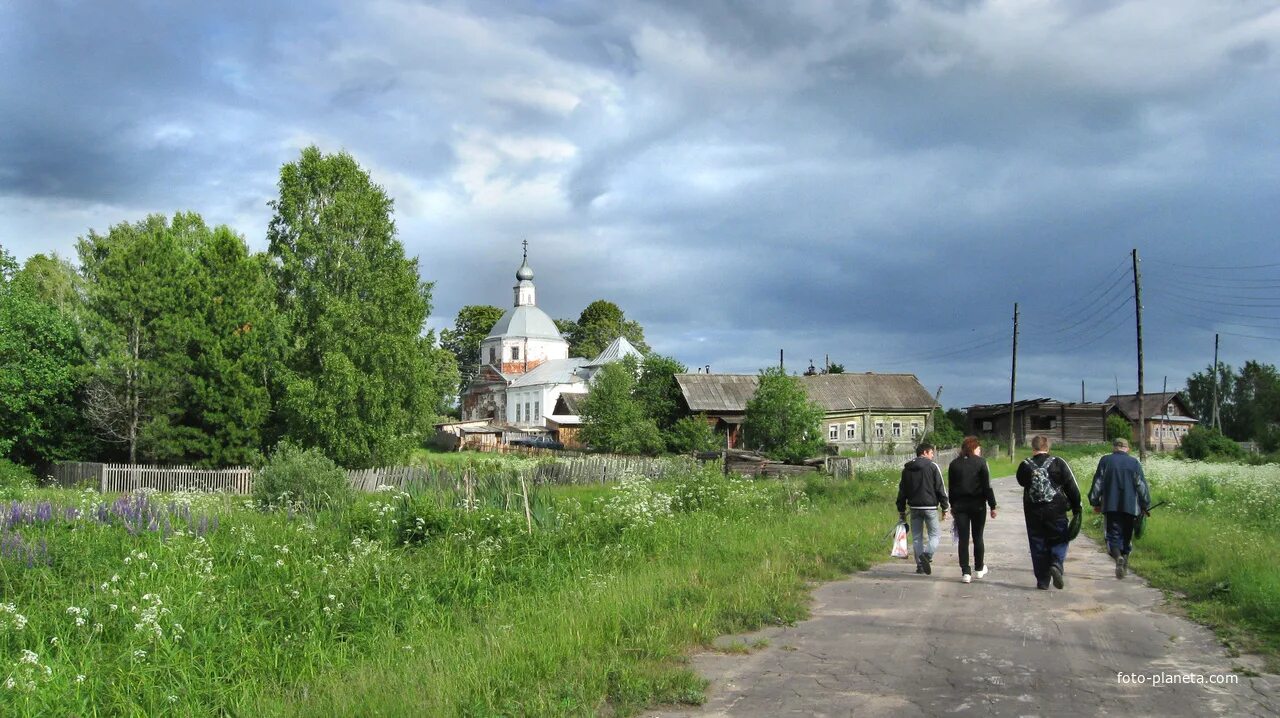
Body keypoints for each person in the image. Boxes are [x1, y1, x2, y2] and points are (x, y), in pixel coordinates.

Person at [1016, 435, 1082, 590]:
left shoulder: (1024, 465)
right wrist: (1076, 506)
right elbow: (1072, 486)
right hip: (1056, 509)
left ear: (1033, 448)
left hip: (1033, 511)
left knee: (1037, 543)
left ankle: (1042, 581)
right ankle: (1056, 563)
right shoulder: (1058, 462)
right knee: (1060, 538)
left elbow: (1021, 481)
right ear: (1048, 447)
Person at [1088, 437, 1151, 579]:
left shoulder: (1105, 461)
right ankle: (1125, 559)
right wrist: (1145, 504)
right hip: (1130, 507)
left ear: (1114, 447)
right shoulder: (1134, 463)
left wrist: (1094, 501)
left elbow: (1098, 483)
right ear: (1127, 448)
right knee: (1127, 536)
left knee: (1112, 535)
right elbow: (1141, 486)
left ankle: (1118, 559)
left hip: (1111, 506)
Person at [948, 436, 997, 583]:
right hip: (978, 505)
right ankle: (979, 568)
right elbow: (987, 486)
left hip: (960, 506)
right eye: (978, 448)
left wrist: (952, 505)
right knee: (978, 537)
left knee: (963, 539)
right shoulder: (981, 463)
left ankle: (965, 572)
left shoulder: (954, 464)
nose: (980, 450)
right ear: (973, 448)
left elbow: (951, 487)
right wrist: (993, 505)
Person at [897, 442, 949, 575]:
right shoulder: (932, 467)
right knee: (935, 535)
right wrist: (945, 508)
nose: (932, 456)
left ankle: (920, 565)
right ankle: (927, 555)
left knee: (917, 537)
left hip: (914, 507)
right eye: (932, 453)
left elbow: (902, 491)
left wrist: (901, 510)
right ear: (925, 452)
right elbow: (940, 488)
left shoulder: (907, 469)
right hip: (930, 507)